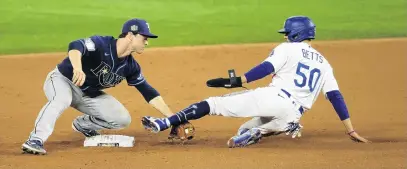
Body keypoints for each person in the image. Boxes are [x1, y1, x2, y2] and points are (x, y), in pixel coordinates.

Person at [141, 16, 370, 148]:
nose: (284, 36)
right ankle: (266, 129)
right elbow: (335, 97)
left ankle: (163, 123)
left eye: (287, 33)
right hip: (294, 112)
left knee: (212, 104)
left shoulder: (288, 48)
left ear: (296, 35)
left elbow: (266, 68)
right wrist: (350, 130)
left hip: (274, 98)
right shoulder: (324, 63)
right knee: (245, 129)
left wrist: (239, 80)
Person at [22, 18, 174, 155]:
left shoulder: (130, 66)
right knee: (61, 99)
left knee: (122, 119)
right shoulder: (102, 44)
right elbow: (75, 46)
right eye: (144, 38)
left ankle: (83, 125)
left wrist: (173, 118)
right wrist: (77, 68)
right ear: (130, 35)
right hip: (63, 80)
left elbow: (148, 92)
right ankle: (35, 140)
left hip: (88, 94)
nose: (147, 42)